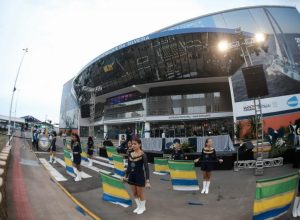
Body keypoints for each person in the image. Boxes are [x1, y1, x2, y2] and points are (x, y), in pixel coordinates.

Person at [124, 138, 150, 215]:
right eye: (132, 144)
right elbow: (129, 166)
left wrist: (148, 181)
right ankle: (138, 206)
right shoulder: (130, 154)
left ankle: (143, 207)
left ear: (139, 145)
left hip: (140, 176)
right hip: (131, 176)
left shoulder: (143, 155)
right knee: (134, 193)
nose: (133, 145)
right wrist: (126, 176)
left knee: (140, 194)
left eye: (135, 144)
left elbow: (146, 168)